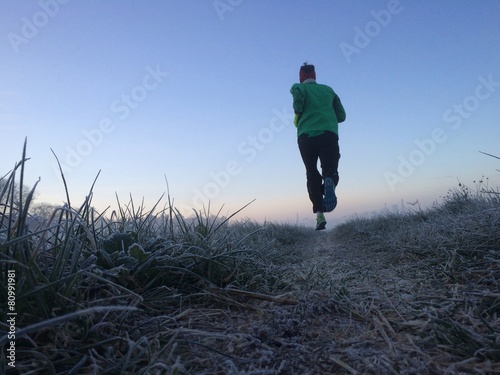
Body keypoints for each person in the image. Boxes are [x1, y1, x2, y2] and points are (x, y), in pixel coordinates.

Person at [290, 63, 346, 230]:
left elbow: (298, 107)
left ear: (301, 77)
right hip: (328, 134)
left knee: (311, 172)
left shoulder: (298, 88)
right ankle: (329, 180)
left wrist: (299, 115)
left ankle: (319, 214)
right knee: (330, 169)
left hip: (306, 137)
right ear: (315, 76)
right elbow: (342, 116)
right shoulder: (329, 90)